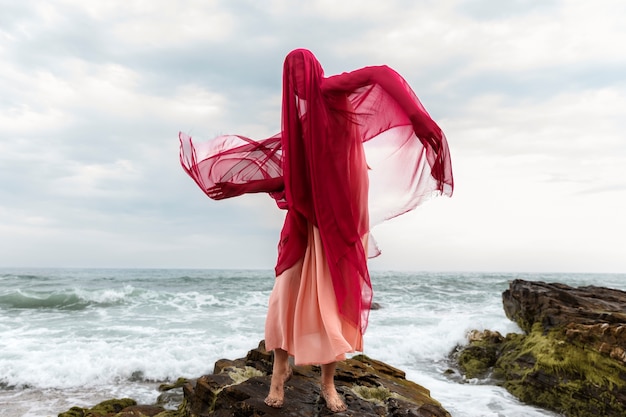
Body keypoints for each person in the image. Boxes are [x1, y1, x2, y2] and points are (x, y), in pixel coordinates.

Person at [179, 48, 453, 412]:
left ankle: (328, 383)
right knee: (284, 294)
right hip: (305, 219)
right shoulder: (300, 127)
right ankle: (280, 373)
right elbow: (282, 171)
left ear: (313, 71)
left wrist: (419, 119)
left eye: (299, 73)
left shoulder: (332, 92)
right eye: (288, 77)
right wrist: (236, 186)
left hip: (339, 217)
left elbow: (381, 73)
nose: (295, 83)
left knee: (332, 302)